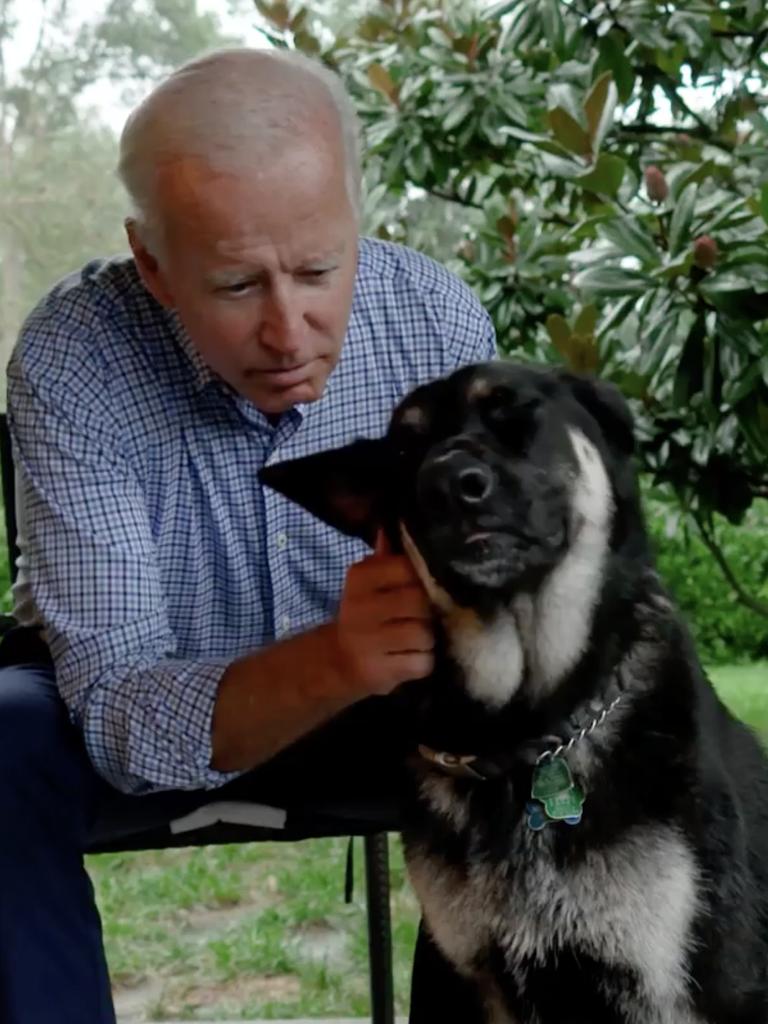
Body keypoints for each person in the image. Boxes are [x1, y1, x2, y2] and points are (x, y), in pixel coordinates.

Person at [0, 47, 496, 1023]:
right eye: (235, 286)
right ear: (152, 262)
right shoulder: (72, 356)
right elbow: (119, 713)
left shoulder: (437, 322)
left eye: (319, 269)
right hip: (113, 715)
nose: (288, 329)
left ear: (357, 221)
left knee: (531, 746)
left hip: (384, 711)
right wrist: (334, 659)